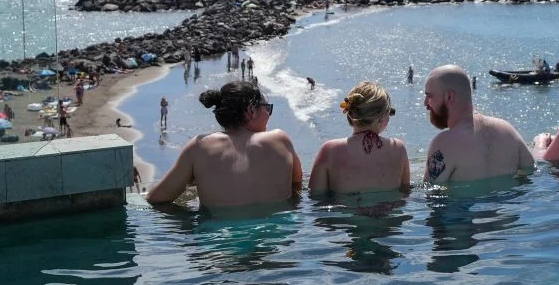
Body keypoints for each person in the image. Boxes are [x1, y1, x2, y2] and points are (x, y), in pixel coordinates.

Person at [146, 81, 303, 208]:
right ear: (250, 111)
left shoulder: (199, 147)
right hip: (276, 232)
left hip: (219, 234)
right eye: (267, 108)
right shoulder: (280, 139)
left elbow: (157, 198)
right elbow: (296, 184)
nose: (269, 114)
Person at [423, 65, 534, 183]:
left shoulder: (444, 143)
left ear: (450, 97)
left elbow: (430, 190)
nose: (425, 103)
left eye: (429, 96)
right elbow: (531, 170)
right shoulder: (508, 130)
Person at [309, 82, 409, 194]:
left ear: (350, 112)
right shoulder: (398, 148)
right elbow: (405, 193)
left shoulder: (330, 150)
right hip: (388, 205)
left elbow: (315, 195)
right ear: (381, 117)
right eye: (389, 112)